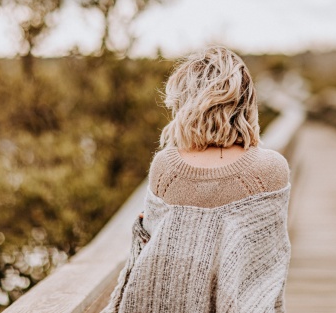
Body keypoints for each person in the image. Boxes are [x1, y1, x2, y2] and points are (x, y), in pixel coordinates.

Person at [102, 46, 291, 313]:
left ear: (185, 103)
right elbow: (265, 270)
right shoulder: (270, 170)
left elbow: (150, 246)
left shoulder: (165, 167)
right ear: (245, 102)